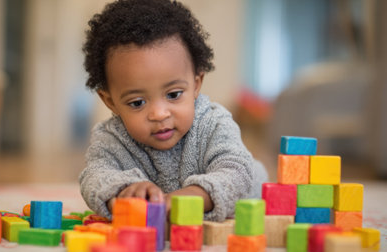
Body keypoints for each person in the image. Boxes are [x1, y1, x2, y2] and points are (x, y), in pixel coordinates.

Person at [79, 0, 267, 222]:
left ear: (196, 84)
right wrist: (122, 191)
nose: (159, 114)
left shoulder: (214, 122)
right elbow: (94, 175)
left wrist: (195, 194)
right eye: (137, 102)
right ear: (109, 101)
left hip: (251, 196)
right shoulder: (110, 138)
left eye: (174, 94)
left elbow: (237, 172)